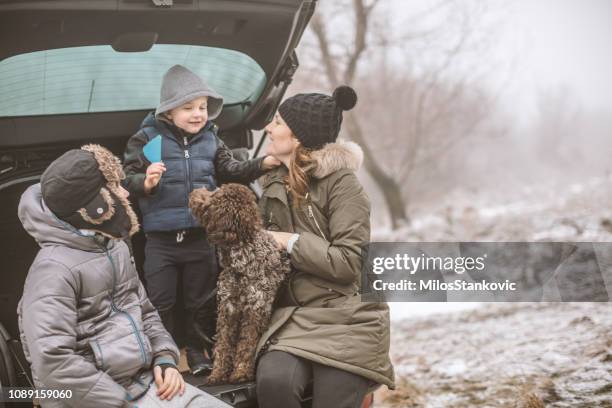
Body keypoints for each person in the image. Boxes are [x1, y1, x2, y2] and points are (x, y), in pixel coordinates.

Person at [17, 145, 231, 408]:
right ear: (96, 207)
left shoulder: (114, 246)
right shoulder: (52, 270)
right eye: (115, 186)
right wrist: (121, 401)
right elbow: (53, 364)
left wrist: (164, 358)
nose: (126, 192)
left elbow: (145, 310)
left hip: (146, 382)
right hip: (97, 399)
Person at [123, 65, 280, 375]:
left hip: (200, 238)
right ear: (168, 111)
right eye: (188, 108)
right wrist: (146, 182)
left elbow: (232, 170)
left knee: (200, 300)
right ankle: (163, 355)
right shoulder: (146, 140)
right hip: (161, 242)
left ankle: (197, 351)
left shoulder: (211, 139)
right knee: (160, 301)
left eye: (203, 107)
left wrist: (264, 163)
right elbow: (126, 179)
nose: (198, 114)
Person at [254, 86, 396, 408]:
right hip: (294, 316)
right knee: (274, 382)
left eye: (276, 122)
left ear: (299, 136)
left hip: (349, 316)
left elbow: (348, 263)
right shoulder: (273, 182)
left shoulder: (344, 185)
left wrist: (289, 241)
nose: (268, 129)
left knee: (333, 396)